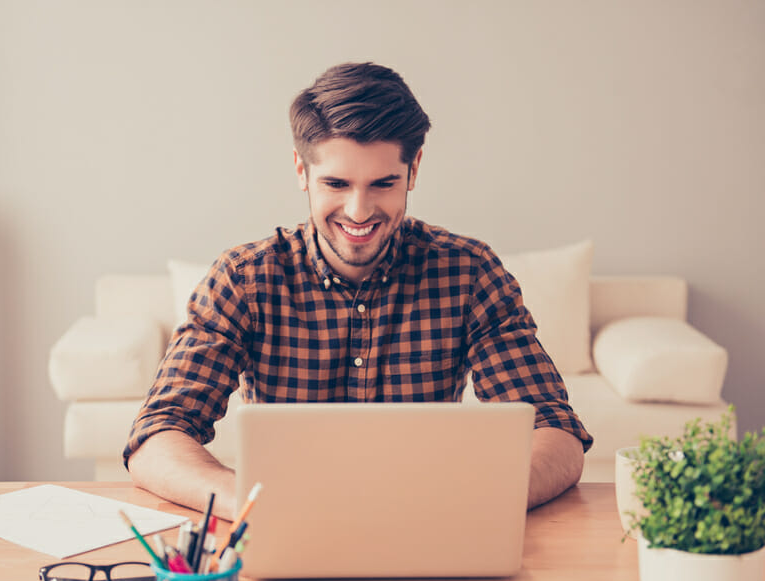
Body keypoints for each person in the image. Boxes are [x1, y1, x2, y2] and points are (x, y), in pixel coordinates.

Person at [124, 62, 592, 520]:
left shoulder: (469, 273)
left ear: (413, 171)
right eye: (336, 183)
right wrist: (245, 501)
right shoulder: (244, 279)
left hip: (430, 524)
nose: (359, 210)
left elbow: (555, 428)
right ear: (301, 171)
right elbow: (158, 434)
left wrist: (479, 500)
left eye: (383, 183)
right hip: (286, 527)